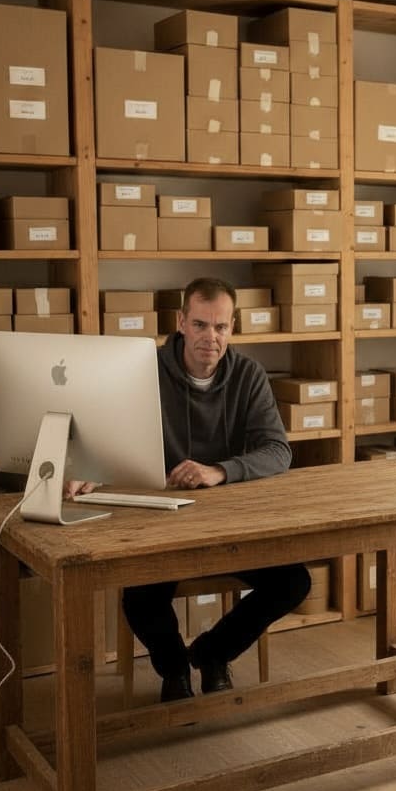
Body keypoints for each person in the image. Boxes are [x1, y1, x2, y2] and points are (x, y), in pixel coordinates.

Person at [68, 277, 311, 702]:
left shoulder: (248, 374)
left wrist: (220, 470)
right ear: (181, 322)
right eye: (200, 325)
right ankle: (175, 667)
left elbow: (277, 451)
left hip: (228, 521)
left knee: (293, 582)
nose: (210, 338)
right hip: (158, 517)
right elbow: (103, 432)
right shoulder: (143, 370)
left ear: (232, 328)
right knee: (141, 594)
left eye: (220, 327)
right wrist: (91, 468)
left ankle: (212, 653)